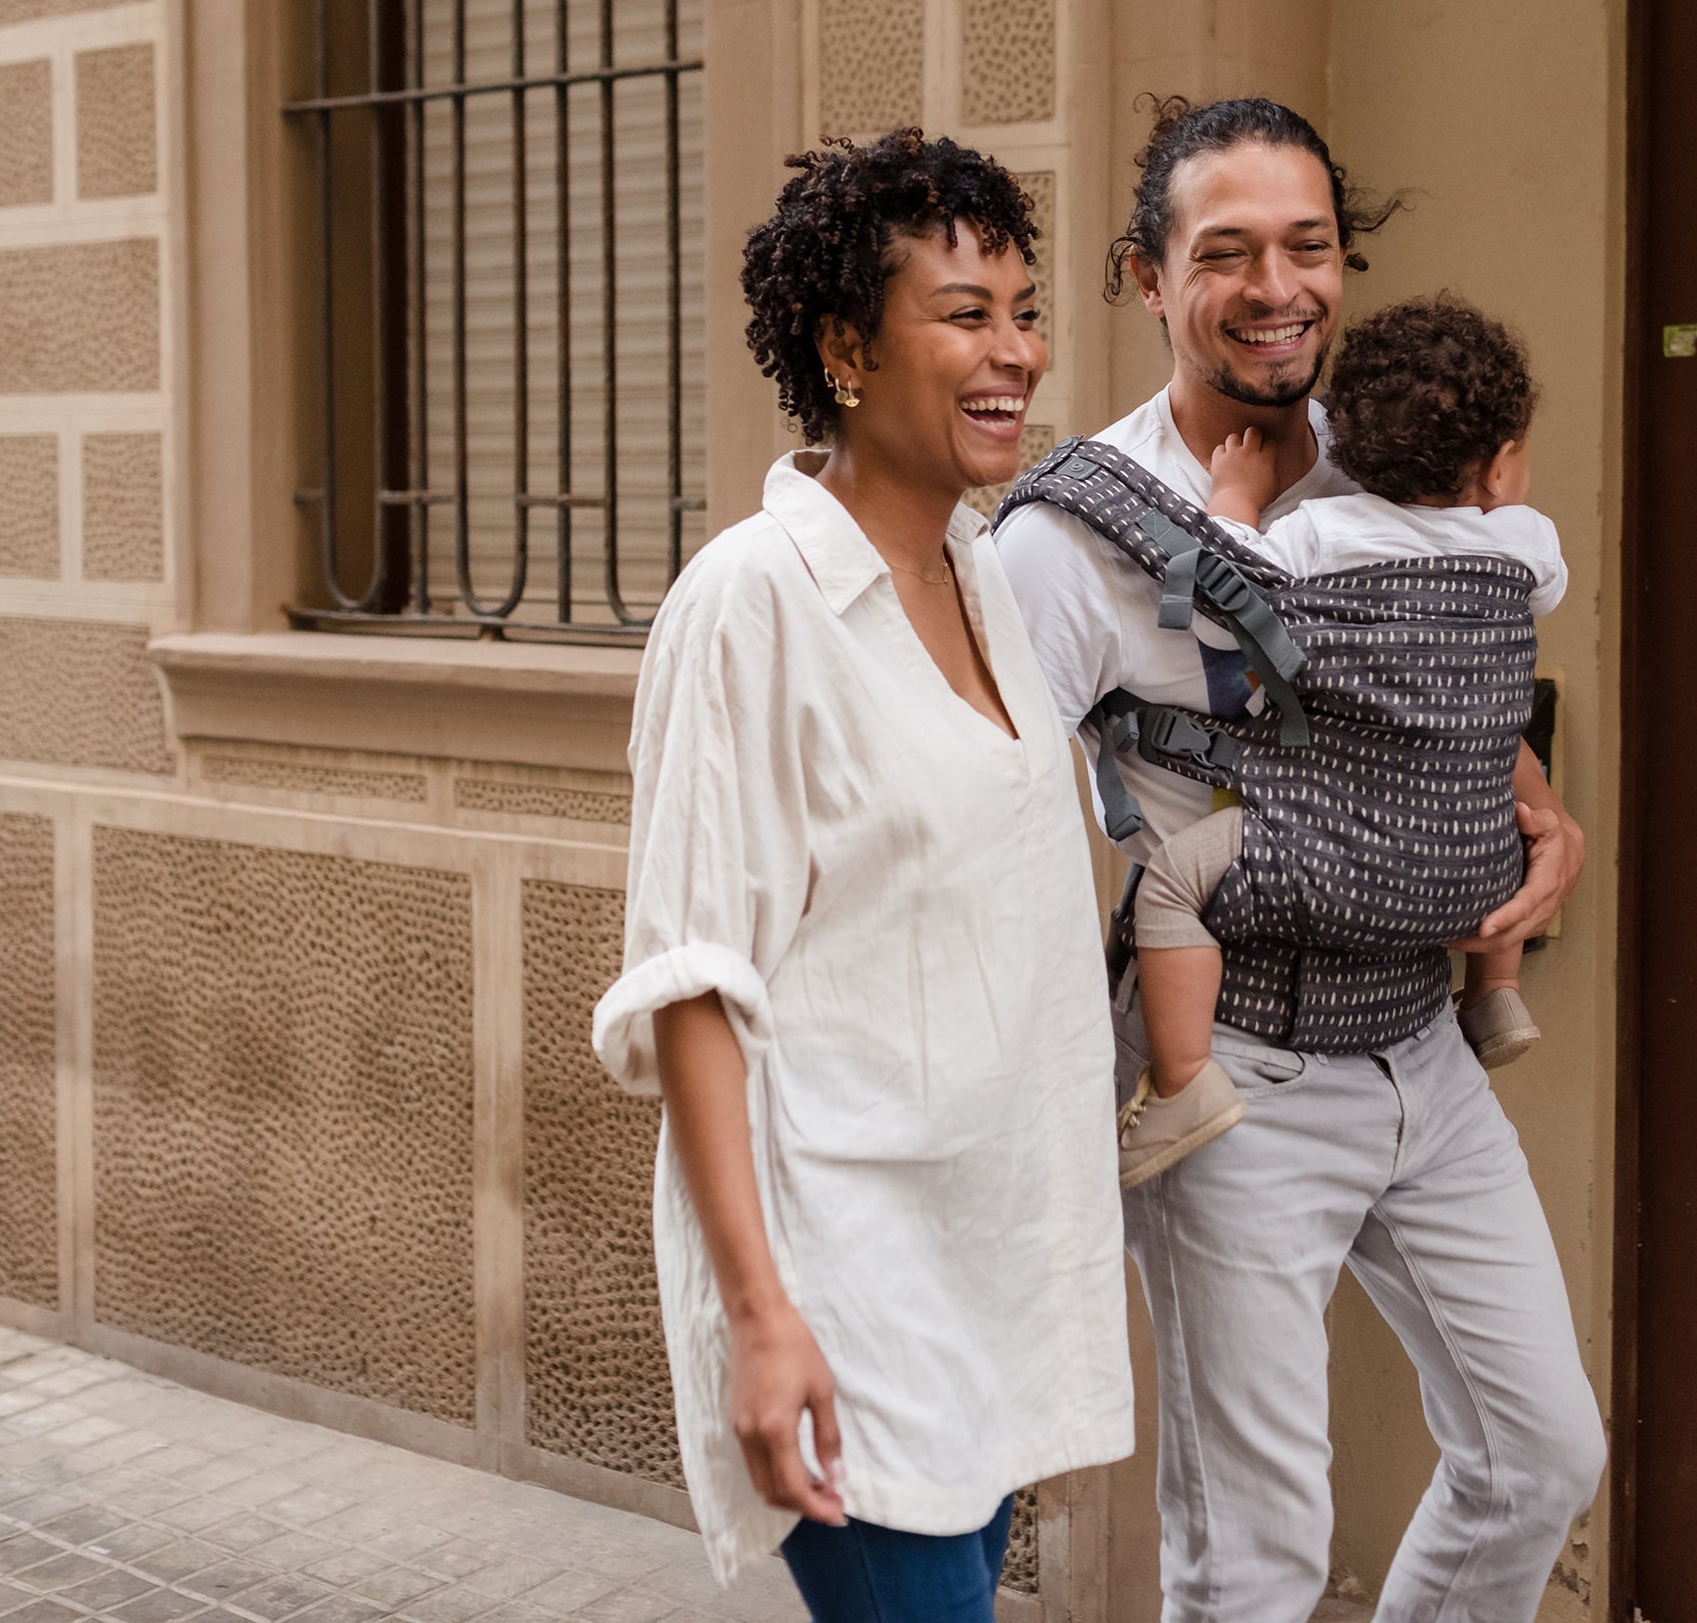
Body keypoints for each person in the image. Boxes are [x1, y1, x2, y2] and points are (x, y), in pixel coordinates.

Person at [994, 97, 1604, 1623]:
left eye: (1310, 245)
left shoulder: (1396, 457)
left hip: (1421, 1045)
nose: (1280, 286)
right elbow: (986, 809)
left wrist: (1539, 807)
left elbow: (1448, 690)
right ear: (1146, 277)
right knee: (1256, 1556)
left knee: (1541, 1449)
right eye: (1228, 251)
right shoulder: (1071, 543)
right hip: (1239, 1074)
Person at [592, 130, 1130, 1620]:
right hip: (846, 1274)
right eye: (965, 313)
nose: (1014, 349)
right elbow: (692, 976)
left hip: (986, 1258)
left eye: (1024, 310)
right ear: (845, 344)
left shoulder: (983, 574)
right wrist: (762, 1317)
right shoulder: (752, 602)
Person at [1116, 294, 1569, 1183]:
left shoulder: (1319, 533)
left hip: (1327, 856)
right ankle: (1497, 995)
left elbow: (1216, 609)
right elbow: (1538, 592)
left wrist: (1233, 500)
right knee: (1509, 805)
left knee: (1167, 886)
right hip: (1474, 874)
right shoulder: (1524, 544)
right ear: (1503, 465)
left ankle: (1181, 1082)